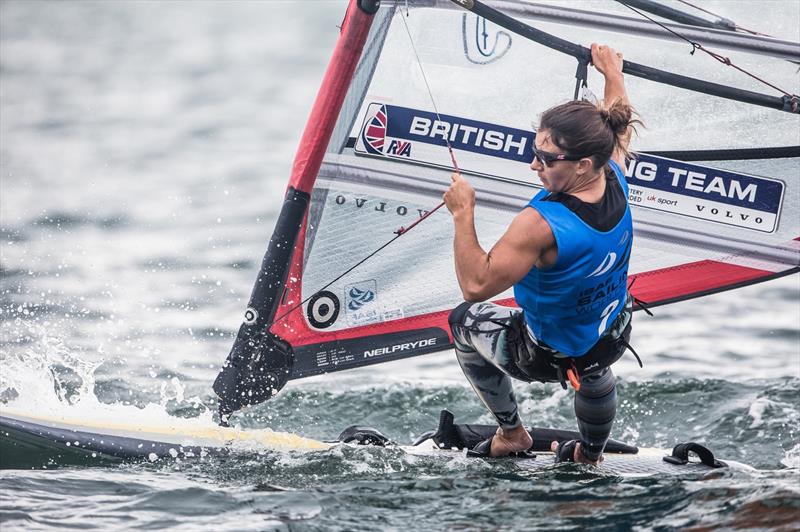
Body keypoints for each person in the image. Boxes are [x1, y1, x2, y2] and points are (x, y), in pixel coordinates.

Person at [443, 43, 640, 465]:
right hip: (612, 335)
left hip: (544, 354)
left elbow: (476, 285)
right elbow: (616, 124)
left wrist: (463, 213)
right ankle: (590, 455)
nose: (535, 165)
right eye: (535, 152)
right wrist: (611, 74)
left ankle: (512, 433)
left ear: (583, 164)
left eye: (546, 159)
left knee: (462, 321)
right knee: (593, 364)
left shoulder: (541, 224)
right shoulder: (615, 173)